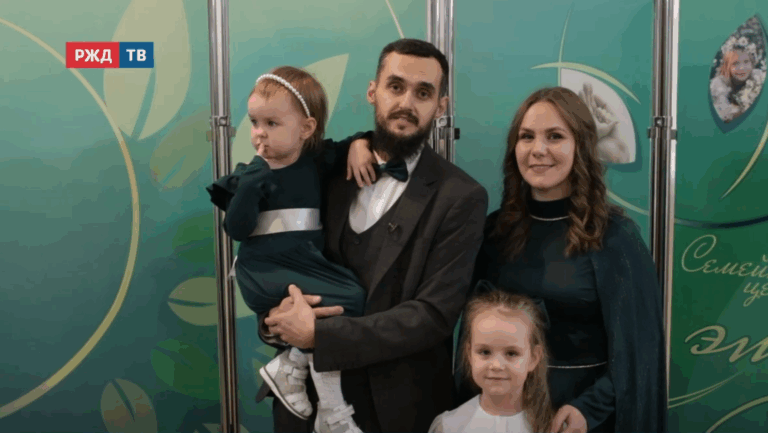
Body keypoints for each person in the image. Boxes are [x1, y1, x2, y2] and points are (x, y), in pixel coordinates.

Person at [257, 39, 489, 433]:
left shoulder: (462, 197)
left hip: (396, 409)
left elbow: (434, 315)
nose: (406, 103)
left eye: (423, 93)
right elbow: (276, 253)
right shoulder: (323, 169)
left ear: (441, 107)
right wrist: (275, 320)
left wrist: (320, 335)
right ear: (372, 91)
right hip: (303, 402)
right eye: (395, 87)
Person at [455, 87, 666, 433]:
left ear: (580, 146)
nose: (538, 149)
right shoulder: (494, 232)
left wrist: (589, 409)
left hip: (580, 421)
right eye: (527, 137)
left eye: (555, 136)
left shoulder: (616, 238)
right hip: (503, 417)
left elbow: (640, 353)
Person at [206, 66, 378, 433]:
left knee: (352, 299)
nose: (259, 133)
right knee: (339, 305)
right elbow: (236, 229)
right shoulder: (249, 174)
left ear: (306, 128)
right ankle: (331, 409)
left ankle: (293, 364)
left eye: (272, 123)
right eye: (254, 122)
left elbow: (353, 143)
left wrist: (360, 144)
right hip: (263, 271)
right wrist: (249, 187)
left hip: (303, 264)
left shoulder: (317, 161)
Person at [430, 281, 553, 433]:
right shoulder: (449, 426)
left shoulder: (553, 428)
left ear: (533, 358)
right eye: (485, 352)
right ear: (469, 354)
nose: (496, 365)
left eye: (511, 353)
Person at [711, 47, 759, 123]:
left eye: (746, 61)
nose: (742, 68)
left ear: (752, 63)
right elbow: (724, 116)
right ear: (727, 66)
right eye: (735, 63)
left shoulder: (758, 77)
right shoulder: (719, 84)